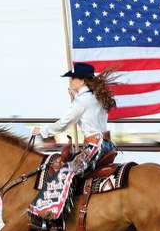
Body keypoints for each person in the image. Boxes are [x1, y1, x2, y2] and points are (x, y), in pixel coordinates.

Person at [28, 62, 117, 221]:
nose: (71, 81)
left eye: (74, 78)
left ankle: (50, 214)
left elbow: (63, 124)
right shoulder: (96, 96)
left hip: (94, 147)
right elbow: (87, 116)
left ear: (82, 81)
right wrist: (75, 99)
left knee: (65, 171)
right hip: (106, 144)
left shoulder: (82, 101)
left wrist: (41, 130)